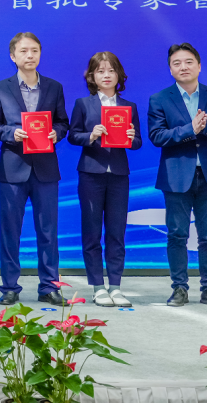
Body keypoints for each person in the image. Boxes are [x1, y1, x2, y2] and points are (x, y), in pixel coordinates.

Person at [0, 32, 70, 306]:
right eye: (23, 51)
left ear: (40, 54)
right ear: (13, 56)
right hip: (13, 169)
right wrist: (12, 133)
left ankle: (49, 286)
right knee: (10, 232)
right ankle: (10, 287)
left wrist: (56, 133)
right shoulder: (0, 88)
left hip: (46, 169)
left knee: (48, 231)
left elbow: (63, 122)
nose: (29, 55)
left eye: (34, 50)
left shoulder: (54, 87)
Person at [148, 43, 207, 308]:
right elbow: (157, 136)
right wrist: (189, 129)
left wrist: (206, 126)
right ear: (170, 69)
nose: (183, 67)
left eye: (188, 62)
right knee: (177, 235)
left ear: (199, 66)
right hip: (176, 177)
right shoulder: (159, 99)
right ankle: (179, 288)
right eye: (176, 63)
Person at [67, 52, 142, 308]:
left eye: (111, 70)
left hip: (119, 175)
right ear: (92, 76)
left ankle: (116, 286)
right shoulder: (83, 104)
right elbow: (72, 135)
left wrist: (131, 138)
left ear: (119, 75)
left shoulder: (129, 107)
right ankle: (98, 287)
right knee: (91, 232)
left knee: (116, 232)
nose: (106, 75)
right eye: (100, 71)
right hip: (91, 174)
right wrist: (91, 135)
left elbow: (138, 142)